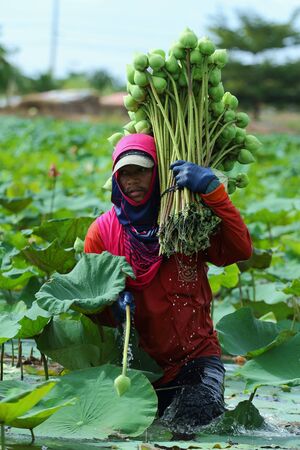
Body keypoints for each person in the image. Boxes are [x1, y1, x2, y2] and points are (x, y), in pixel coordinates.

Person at [84, 133, 252, 437]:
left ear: (159, 173)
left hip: (197, 359)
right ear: (115, 178)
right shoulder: (101, 234)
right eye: (125, 174)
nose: (133, 181)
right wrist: (111, 304)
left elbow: (240, 251)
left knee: (196, 418)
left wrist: (215, 193)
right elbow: (91, 308)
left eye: (142, 171)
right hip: (140, 369)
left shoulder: (186, 220)